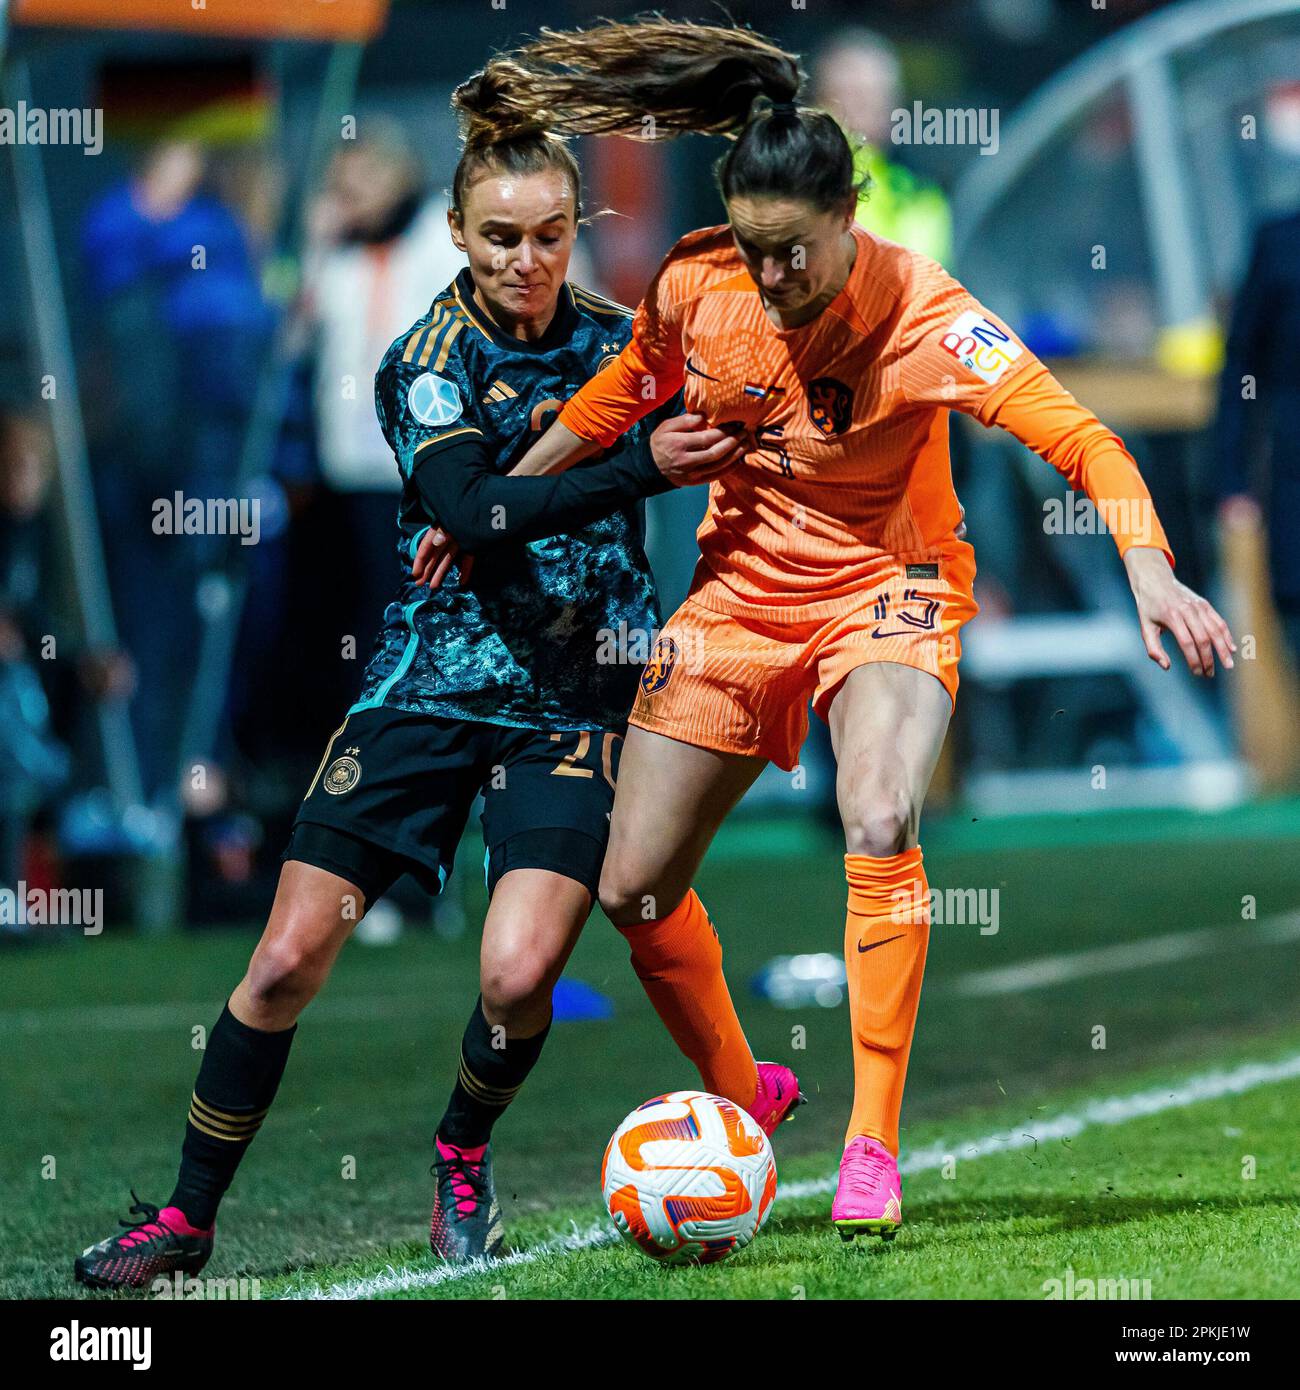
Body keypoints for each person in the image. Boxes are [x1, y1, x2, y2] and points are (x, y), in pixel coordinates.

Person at [414, 17, 1235, 1243]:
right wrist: (495, 511)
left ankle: (869, 1145)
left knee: (880, 812)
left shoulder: (927, 314)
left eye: (793, 252)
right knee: (632, 887)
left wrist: (1151, 568)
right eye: (755, 251)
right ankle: (747, 1095)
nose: (774, 278)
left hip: (888, 590)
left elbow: (1082, 436)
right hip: (740, 598)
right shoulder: (699, 282)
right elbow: (609, 401)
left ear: (850, 216)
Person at [73, 73, 797, 1289]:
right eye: (502, 236)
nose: (526, 259)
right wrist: (634, 472)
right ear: (457, 235)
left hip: (576, 697)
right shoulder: (425, 361)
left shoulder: (632, 344)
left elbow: (742, 383)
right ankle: (187, 1220)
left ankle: (460, 1153)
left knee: (517, 976)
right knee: (285, 960)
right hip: (425, 681)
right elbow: (469, 507)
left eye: (550, 235)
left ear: (577, 230)